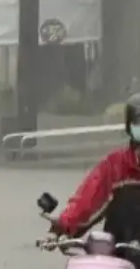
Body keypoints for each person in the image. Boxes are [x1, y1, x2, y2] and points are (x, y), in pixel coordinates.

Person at [53, 93, 140, 238]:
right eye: (139, 121)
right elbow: (86, 198)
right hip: (119, 250)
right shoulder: (115, 164)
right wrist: (64, 225)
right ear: (129, 126)